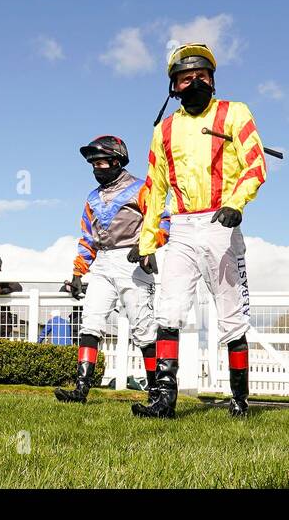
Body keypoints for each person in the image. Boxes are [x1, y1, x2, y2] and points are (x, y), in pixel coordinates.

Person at [133, 44, 267, 419]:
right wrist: (148, 242)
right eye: (186, 77)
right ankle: (163, 400)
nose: (195, 82)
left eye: (201, 76)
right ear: (173, 86)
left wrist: (236, 203)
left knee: (230, 314)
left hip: (221, 224)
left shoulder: (235, 113)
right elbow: (154, 188)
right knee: (169, 309)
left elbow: (255, 165)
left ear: (213, 79)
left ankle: (240, 400)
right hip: (181, 227)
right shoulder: (164, 129)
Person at [54, 136, 167, 404]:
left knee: (144, 328)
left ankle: (155, 392)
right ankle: (80, 390)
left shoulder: (142, 188)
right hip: (103, 263)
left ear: (117, 161)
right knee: (90, 323)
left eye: (101, 162)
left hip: (132, 261)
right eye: (92, 164)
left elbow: (164, 221)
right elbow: (87, 237)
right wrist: (78, 272)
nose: (96, 168)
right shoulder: (92, 198)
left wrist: (146, 245)